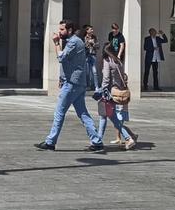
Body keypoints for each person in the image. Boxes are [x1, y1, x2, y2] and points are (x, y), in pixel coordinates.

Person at [35, 21, 105, 152]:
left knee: (59, 112)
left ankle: (50, 142)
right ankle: (97, 141)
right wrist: (62, 77)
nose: (60, 32)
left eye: (62, 29)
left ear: (70, 30)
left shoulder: (73, 42)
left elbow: (61, 58)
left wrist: (56, 43)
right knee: (83, 113)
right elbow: (69, 62)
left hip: (72, 84)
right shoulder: (76, 41)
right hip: (77, 83)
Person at [97, 44, 138, 149]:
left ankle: (99, 140)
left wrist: (102, 90)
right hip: (117, 91)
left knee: (107, 116)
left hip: (109, 92)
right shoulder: (118, 61)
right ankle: (98, 140)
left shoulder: (107, 61)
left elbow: (106, 78)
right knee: (107, 116)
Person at [82, 25, 99, 91]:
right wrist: (88, 43)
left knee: (94, 72)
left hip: (93, 55)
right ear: (87, 31)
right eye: (91, 29)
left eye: (92, 29)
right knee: (87, 72)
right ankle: (88, 86)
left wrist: (93, 43)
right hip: (86, 56)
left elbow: (98, 46)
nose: (92, 30)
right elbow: (82, 47)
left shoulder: (95, 37)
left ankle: (96, 86)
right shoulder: (84, 38)